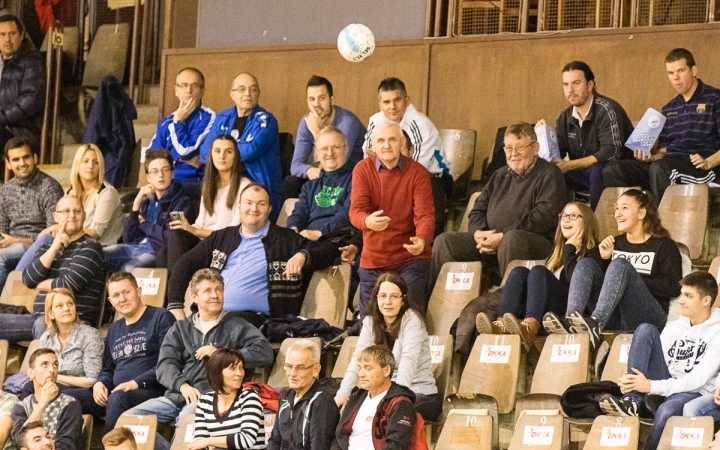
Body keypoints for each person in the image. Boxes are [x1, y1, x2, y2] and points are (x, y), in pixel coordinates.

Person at [122, 268, 273, 429]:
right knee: (128, 420)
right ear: (194, 297)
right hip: (176, 396)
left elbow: (265, 352)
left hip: (214, 398)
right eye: (207, 291)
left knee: (187, 420)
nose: (215, 295)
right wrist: (183, 385)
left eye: (218, 290)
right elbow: (165, 365)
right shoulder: (180, 328)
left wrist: (220, 354)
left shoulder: (237, 325)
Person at [166, 184, 340, 322]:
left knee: (225, 330)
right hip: (209, 316)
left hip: (254, 320)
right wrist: (175, 306)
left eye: (261, 204)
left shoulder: (285, 239)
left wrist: (302, 256)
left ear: (270, 209)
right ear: (239, 207)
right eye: (248, 203)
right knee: (166, 334)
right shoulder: (222, 237)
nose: (253, 209)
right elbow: (185, 264)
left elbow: (329, 248)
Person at [428, 123, 566, 293]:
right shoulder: (500, 174)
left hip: (533, 244)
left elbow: (543, 217)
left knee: (512, 239)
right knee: (445, 242)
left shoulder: (550, 174)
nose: (513, 154)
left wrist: (502, 235)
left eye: (520, 147)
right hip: (490, 243)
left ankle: (506, 303)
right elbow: (478, 209)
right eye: (508, 148)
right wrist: (478, 233)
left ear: (536, 148)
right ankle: (441, 303)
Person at [596, 272, 720, 450]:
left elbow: (697, 381)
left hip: (692, 392)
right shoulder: (675, 326)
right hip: (663, 384)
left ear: (706, 301)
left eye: (688, 296)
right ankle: (632, 399)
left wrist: (650, 386)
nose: (681, 301)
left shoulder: (717, 331)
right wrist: (632, 382)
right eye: (682, 294)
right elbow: (654, 361)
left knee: (666, 412)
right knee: (646, 329)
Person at [556, 189, 682, 350]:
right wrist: (603, 259)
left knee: (620, 265)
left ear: (642, 213)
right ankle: (571, 321)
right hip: (615, 316)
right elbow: (598, 282)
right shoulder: (613, 243)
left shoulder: (664, 245)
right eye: (616, 208)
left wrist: (631, 278)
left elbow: (673, 287)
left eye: (624, 208)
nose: (617, 214)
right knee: (586, 263)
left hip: (649, 317)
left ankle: (596, 323)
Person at [476, 202, 607, 346]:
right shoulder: (556, 254)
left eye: (573, 216)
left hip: (565, 317)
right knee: (518, 272)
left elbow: (575, 283)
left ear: (587, 221)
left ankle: (530, 326)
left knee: (539, 271)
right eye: (563, 216)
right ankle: (501, 325)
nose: (566, 219)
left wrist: (569, 249)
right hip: (545, 310)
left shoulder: (595, 252)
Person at [604, 48, 720, 201]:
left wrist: (708, 162)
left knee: (661, 169)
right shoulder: (669, 108)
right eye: (670, 73)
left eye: (680, 70)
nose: (676, 78)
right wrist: (651, 157)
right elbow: (664, 151)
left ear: (693, 70)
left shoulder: (715, 98)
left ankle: (659, 224)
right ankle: (631, 221)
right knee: (613, 169)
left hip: (702, 169)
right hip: (668, 165)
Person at [350, 121, 435, 316]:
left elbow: (426, 216)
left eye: (392, 140)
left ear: (401, 142)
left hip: (410, 257)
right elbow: (356, 212)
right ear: (373, 145)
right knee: (369, 323)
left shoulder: (418, 173)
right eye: (380, 140)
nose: (386, 145)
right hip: (374, 258)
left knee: (410, 317)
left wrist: (422, 240)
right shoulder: (362, 170)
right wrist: (367, 221)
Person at [0, 195, 105, 342]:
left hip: (74, 321)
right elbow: (28, 279)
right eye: (66, 211)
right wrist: (54, 248)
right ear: (56, 217)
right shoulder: (46, 247)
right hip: (39, 318)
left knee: (43, 324)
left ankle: (46, 364)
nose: (72, 216)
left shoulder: (90, 247)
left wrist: (43, 284)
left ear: (84, 215)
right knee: (40, 323)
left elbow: (70, 284)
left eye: (77, 211)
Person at [335, 274, 440, 421]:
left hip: (418, 394)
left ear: (403, 300)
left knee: (384, 414)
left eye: (394, 296)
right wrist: (343, 394)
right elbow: (357, 359)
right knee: (340, 409)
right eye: (383, 296)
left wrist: (392, 399)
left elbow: (408, 361)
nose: (387, 302)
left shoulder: (412, 320)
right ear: (376, 298)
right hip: (381, 393)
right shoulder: (371, 322)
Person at [536, 61, 634, 210]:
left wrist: (569, 165)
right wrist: (541, 137)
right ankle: (556, 226)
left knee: (598, 170)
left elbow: (610, 153)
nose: (570, 90)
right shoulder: (565, 117)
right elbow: (555, 155)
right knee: (550, 174)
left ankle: (595, 226)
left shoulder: (607, 109)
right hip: (583, 174)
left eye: (576, 83)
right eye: (565, 84)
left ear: (590, 85)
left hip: (616, 172)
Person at [363, 77, 451, 235]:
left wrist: (381, 155)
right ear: (380, 104)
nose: (392, 107)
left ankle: (425, 243)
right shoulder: (375, 121)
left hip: (435, 177)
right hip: (392, 173)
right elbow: (367, 158)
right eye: (386, 102)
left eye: (397, 100)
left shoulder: (421, 124)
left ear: (406, 100)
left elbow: (415, 168)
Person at [16, 144, 123, 272]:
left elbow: (95, 233)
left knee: (46, 239)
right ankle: (20, 282)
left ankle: (17, 280)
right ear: (77, 164)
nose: (90, 166)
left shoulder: (107, 192)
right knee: (46, 241)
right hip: (75, 243)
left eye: (96, 162)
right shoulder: (72, 192)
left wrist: (60, 230)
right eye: (86, 161)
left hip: (99, 248)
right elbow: (62, 224)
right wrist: (55, 228)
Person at [92, 272, 176, 431]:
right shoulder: (114, 329)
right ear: (110, 301)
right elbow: (107, 369)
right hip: (117, 393)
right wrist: (100, 383)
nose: (122, 299)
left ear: (138, 291)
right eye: (116, 295)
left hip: (151, 390)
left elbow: (168, 362)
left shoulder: (161, 317)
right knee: (71, 399)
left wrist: (135, 383)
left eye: (126, 292)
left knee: (117, 399)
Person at [166, 134, 253, 274]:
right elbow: (201, 223)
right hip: (204, 243)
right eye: (217, 151)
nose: (222, 156)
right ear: (211, 155)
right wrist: (186, 227)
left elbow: (233, 233)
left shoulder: (244, 186)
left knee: (178, 239)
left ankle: (174, 293)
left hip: (223, 247)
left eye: (228, 151)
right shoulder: (209, 184)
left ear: (235, 156)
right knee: (166, 248)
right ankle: (168, 294)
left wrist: (194, 231)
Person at [200, 72, 282, 220]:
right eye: (242, 89)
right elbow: (205, 152)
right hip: (223, 182)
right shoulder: (222, 118)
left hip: (256, 184)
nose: (247, 94)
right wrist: (234, 149)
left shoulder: (267, 121)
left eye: (253, 89)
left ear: (258, 93)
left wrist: (221, 151)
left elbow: (251, 150)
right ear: (232, 94)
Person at [103, 149, 192, 272]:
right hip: (134, 247)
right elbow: (128, 238)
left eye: (165, 170)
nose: (160, 175)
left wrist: (145, 225)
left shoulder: (181, 201)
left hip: (156, 252)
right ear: (148, 177)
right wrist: (136, 203)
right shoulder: (146, 200)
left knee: (129, 269)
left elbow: (170, 238)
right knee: (98, 256)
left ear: (172, 174)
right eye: (155, 172)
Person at [283, 75, 366, 199]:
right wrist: (308, 171)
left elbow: (337, 164)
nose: (316, 104)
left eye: (322, 98)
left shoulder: (347, 121)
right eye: (312, 99)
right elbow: (295, 166)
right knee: (290, 183)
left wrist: (317, 132)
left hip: (348, 177)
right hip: (323, 174)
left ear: (332, 100)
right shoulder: (307, 122)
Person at [20, 289, 103, 406]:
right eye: (59, 306)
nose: (66, 308)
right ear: (50, 314)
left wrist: (56, 377)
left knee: (55, 394)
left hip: (84, 391)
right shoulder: (47, 337)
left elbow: (91, 380)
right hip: (54, 386)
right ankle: (23, 422)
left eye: (70, 304)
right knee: (29, 388)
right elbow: (42, 371)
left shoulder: (89, 335)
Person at [0, 137, 63, 287]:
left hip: (38, 247)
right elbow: (2, 230)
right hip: (10, 246)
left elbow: (52, 235)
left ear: (35, 158)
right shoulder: (5, 191)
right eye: (16, 159)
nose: (22, 163)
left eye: (26, 157)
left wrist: (16, 240)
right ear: (8, 164)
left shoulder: (49, 188)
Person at [331, 345, 418, 450]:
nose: (361, 374)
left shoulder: (400, 403)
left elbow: (396, 446)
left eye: (368, 368)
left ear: (386, 371)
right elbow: (340, 437)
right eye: (359, 368)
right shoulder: (357, 398)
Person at [183, 348, 265, 450]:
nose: (239, 373)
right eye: (233, 368)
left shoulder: (249, 397)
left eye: (241, 367)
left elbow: (246, 440)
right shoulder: (205, 401)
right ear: (217, 372)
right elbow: (200, 440)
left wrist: (208, 441)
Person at [268, 339, 340, 450]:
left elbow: (319, 447)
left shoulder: (322, 403)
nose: (292, 373)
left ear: (316, 370)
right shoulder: (286, 397)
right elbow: (275, 440)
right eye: (289, 366)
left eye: (300, 368)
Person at [147, 67, 216, 183]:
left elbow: (186, 150)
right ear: (176, 90)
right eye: (184, 85)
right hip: (164, 181)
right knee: (129, 199)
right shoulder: (166, 122)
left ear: (202, 91)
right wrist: (179, 161)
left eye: (194, 86)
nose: (188, 90)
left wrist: (178, 122)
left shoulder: (208, 117)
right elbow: (151, 156)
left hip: (191, 181)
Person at [287, 127, 353, 240]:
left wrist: (320, 233)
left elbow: (346, 215)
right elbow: (299, 213)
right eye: (324, 149)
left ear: (346, 149)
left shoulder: (355, 178)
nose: (330, 153)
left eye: (335, 147)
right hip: (308, 238)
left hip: (337, 237)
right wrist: (293, 229)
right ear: (317, 153)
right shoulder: (310, 185)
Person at [10, 349, 82, 450]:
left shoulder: (69, 404)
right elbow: (18, 442)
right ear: (31, 373)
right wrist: (42, 403)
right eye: (44, 364)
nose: (52, 369)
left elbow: (66, 446)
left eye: (55, 365)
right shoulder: (21, 407)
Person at [0, 14, 45, 157]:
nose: (7, 40)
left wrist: (2, 117)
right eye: (2, 34)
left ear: (21, 36)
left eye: (12, 34)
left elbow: (31, 99)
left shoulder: (32, 61)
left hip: (20, 130)